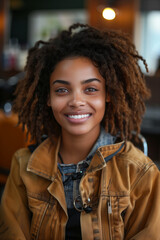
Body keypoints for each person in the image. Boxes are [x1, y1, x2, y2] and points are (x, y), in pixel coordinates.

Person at [0, 23, 160, 240]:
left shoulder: (141, 173)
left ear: (108, 94)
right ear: (48, 98)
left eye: (91, 89)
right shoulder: (23, 165)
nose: (76, 101)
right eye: (62, 90)